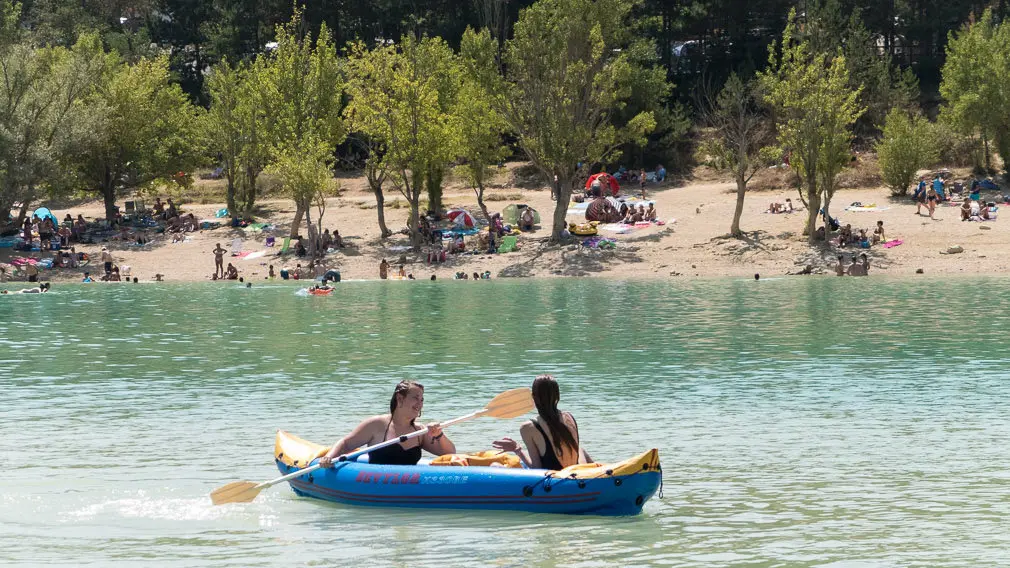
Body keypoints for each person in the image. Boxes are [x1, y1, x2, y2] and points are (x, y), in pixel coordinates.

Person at [319, 380, 455, 467]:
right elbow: (346, 443)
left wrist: (439, 434)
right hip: (376, 483)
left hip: (409, 484)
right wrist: (329, 457)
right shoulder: (376, 424)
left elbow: (449, 453)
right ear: (400, 398)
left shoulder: (419, 431)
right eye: (415, 398)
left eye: (422, 400)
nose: (420, 404)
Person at [493, 375, 591, 470]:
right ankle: (600, 477)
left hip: (553, 481)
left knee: (495, 466)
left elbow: (537, 468)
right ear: (557, 396)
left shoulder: (528, 427)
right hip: (575, 475)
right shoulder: (569, 417)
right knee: (580, 450)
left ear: (533, 397)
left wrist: (516, 449)